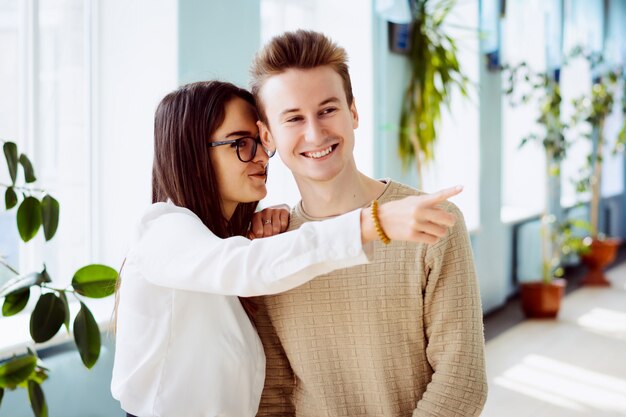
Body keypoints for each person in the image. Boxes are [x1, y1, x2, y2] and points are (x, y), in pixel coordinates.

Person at [110, 80, 463, 417]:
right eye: (241, 143)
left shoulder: (230, 243)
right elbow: (247, 268)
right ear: (192, 153)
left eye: (261, 141)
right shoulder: (160, 228)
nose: (262, 156)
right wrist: (372, 222)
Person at [250, 30, 488, 416]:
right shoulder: (272, 245)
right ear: (267, 135)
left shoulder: (432, 223)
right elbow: (273, 391)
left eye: (328, 110)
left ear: (353, 113)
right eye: (293, 118)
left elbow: (462, 380)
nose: (315, 133)